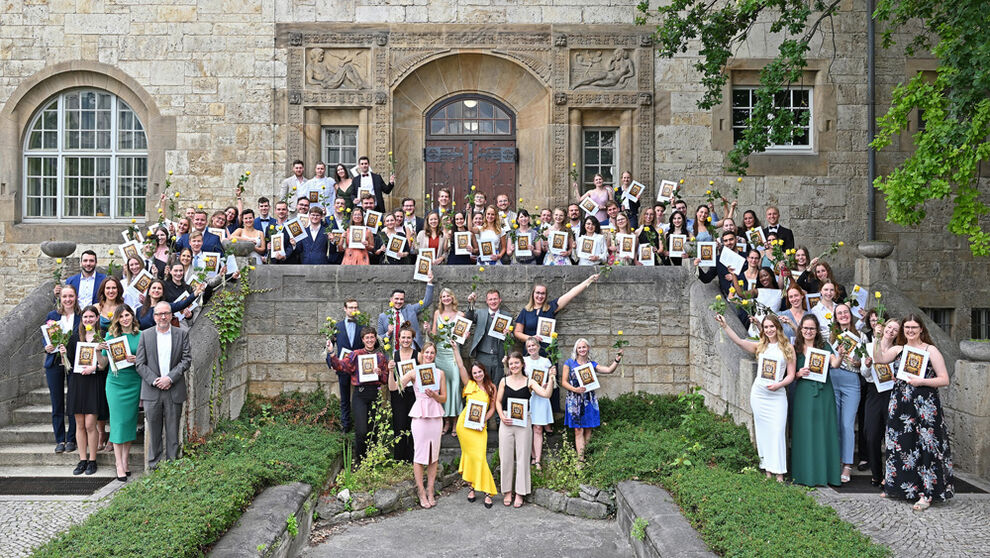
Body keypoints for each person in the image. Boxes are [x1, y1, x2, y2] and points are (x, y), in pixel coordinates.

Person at [873, 315, 953, 510]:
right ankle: (899, 487)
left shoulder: (930, 350)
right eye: (907, 327)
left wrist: (922, 382)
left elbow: (944, 379)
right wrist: (877, 338)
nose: (910, 330)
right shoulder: (899, 349)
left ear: (921, 329)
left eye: (914, 327)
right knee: (901, 445)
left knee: (926, 447)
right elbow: (879, 359)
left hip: (925, 407)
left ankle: (927, 493)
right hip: (901, 406)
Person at [714, 313, 796, 481]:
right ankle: (767, 471)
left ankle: (779, 474)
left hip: (777, 395)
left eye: (772, 326)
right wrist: (725, 325)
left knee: (778, 432)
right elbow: (739, 341)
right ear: (763, 330)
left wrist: (779, 385)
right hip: (759, 395)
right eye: (766, 327)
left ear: (777, 327)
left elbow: (791, 375)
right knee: (764, 433)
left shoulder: (787, 347)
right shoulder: (761, 346)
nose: (769, 330)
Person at [136, 302, 192, 470]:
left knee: (173, 431)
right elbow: (139, 364)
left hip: (173, 389)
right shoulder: (145, 335)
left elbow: (186, 360)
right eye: (159, 314)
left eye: (166, 313)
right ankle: (154, 467)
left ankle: (172, 467)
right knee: (154, 432)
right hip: (152, 391)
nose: (162, 317)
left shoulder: (181, 334)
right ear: (154, 317)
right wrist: (155, 380)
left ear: (171, 315)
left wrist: (170, 378)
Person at [790, 314, 843, 486]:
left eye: (812, 328)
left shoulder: (824, 346)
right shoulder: (795, 348)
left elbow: (834, 364)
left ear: (817, 330)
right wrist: (799, 373)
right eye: (805, 328)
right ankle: (804, 474)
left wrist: (840, 354)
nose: (808, 331)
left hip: (824, 393)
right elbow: (790, 375)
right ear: (800, 329)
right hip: (804, 393)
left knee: (823, 431)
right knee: (804, 432)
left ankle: (824, 475)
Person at [496, 352, 553, 508]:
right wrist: (501, 416)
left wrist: (552, 378)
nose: (514, 366)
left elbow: (546, 395)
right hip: (506, 421)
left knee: (523, 458)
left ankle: (520, 493)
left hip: (524, 422)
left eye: (516, 363)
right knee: (506, 457)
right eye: (511, 364)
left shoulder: (530, 381)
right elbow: (498, 402)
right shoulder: (504, 381)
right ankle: (507, 491)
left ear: (522, 364)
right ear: (508, 365)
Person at [396, 343, 446, 508]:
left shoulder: (440, 373)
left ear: (435, 355)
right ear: (422, 354)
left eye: (432, 353)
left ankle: (430, 489)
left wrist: (435, 395)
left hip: (436, 415)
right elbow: (396, 386)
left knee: (434, 455)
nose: (429, 355)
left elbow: (444, 398)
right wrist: (392, 371)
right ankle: (421, 491)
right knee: (419, 454)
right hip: (419, 414)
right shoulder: (414, 372)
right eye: (427, 352)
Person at [329, 327, 389, 462]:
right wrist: (332, 353)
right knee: (361, 431)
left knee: (373, 430)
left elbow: (385, 379)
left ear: (375, 338)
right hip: (360, 395)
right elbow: (341, 366)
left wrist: (381, 373)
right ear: (362, 340)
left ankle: (372, 460)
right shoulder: (356, 354)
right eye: (367, 338)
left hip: (375, 395)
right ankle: (360, 460)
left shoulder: (380, 357)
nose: (369, 340)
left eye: (372, 337)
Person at [560, 339, 622, 461]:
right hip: (574, 399)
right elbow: (563, 382)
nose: (582, 350)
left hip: (588, 399)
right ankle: (580, 460)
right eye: (579, 348)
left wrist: (617, 360)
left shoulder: (592, 364)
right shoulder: (569, 363)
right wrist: (575, 389)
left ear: (588, 348)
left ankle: (585, 453)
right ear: (576, 350)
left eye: (584, 347)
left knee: (588, 428)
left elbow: (609, 370)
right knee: (578, 430)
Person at [64, 305, 108, 475]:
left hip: (94, 381)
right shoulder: (75, 338)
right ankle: (82, 459)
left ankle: (92, 460)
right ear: (81, 320)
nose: (88, 320)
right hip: (78, 382)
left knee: (91, 424)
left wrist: (95, 363)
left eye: (91, 317)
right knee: (79, 424)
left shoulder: (102, 336)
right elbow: (69, 363)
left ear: (97, 318)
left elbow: (104, 365)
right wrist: (62, 353)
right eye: (85, 317)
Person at [103, 304, 142, 481]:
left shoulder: (141, 336)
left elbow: (147, 362)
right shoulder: (110, 336)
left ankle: (125, 462)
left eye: (128, 315)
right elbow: (102, 364)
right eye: (121, 316)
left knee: (129, 423)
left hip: (134, 383)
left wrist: (137, 360)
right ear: (117, 319)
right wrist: (98, 351)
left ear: (132, 317)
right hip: (116, 383)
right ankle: (118, 464)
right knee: (118, 423)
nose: (125, 318)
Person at [42, 285, 81, 453]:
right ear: (60, 298)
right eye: (65, 296)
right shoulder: (52, 316)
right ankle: (60, 439)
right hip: (54, 362)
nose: (68, 299)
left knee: (73, 401)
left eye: (71, 296)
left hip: (73, 362)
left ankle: (72, 438)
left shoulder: (80, 317)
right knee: (56, 402)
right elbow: (45, 338)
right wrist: (47, 347)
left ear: (75, 297)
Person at [456, 361, 498, 508]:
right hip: (465, 426)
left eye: (479, 371)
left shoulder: (491, 387)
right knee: (469, 456)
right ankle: (471, 488)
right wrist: (455, 349)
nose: (477, 374)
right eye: (474, 373)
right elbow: (461, 366)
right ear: (472, 374)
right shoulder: (469, 384)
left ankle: (488, 491)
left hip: (480, 427)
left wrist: (483, 420)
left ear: (484, 371)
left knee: (480, 457)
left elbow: (492, 409)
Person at [829, 303, 863, 483]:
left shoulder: (861, 336)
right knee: (834, 423)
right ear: (835, 317)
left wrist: (857, 363)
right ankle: (836, 461)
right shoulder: (830, 336)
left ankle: (848, 464)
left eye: (845, 312)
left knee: (847, 424)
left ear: (850, 314)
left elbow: (864, 364)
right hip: (833, 381)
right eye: (839, 313)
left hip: (851, 382)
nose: (843, 315)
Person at [860, 312, 894, 487]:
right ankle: (876, 473)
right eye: (887, 328)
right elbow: (865, 375)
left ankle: (890, 475)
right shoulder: (869, 346)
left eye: (893, 330)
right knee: (871, 434)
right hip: (874, 392)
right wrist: (866, 366)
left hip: (892, 393)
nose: (889, 332)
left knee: (891, 436)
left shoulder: (898, 349)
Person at [432, 288, 467, 435]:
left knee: (454, 388)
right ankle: (445, 421)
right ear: (440, 299)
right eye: (443, 296)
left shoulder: (460, 315)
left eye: (448, 296)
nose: (446, 298)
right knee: (442, 387)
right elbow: (434, 334)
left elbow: (462, 338)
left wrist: (465, 336)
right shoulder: (437, 313)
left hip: (453, 354)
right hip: (440, 354)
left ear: (453, 298)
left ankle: (455, 422)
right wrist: (428, 329)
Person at [465, 289, 511, 387]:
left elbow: (512, 338)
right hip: (483, 355)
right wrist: (471, 303)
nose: (493, 302)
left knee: (498, 386)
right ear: (486, 301)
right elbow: (468, 318)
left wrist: (508, 334)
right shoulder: (479, 313)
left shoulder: (507, 316)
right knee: (482, 385)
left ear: (500, 300)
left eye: (495, 299)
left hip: (499, 356)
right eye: (490, 299)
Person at [523, 336, 556, 468]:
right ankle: (532, 455)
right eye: (528, 346)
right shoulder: (524, 361)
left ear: (538, 346)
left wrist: (548, 382)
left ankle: (537, 460)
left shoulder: (546, 361)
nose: (531, 348)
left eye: (533, 345)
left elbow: (551, 381)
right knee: (529, 428)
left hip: (541, 397)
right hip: (528, 395)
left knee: (538, 428)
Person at [387, 326, 418, 462]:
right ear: (398, 339)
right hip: (398, 396)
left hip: (414, 395)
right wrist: (389, 370)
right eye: (403, 337)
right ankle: (398, 459)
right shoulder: (393, 356)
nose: (406, 340)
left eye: (408, 337)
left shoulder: (418, 355)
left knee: (413, 426)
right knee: (399, 425)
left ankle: (412, 458)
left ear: (412, 339)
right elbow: (390, 383)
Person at [376, 276, 434, 350]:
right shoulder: (383, 316)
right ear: (391, 299)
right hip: (393, 353)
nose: (399, 301)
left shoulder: (410, 309)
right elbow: (379, 339)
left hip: (411, 350)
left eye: (401, 299)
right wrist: (388, 333)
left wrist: (429, 282)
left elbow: (426, 302)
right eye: (396, 299)